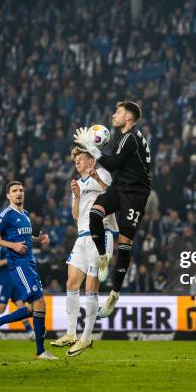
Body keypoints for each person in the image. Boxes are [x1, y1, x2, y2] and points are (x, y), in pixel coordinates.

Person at [73, 100, 151, 318]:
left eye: (118, 112)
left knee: (124, 245)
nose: (114, 115)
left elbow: (113, 164)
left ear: (128, 117)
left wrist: (90, 146)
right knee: (95, 213)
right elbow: (114, 163)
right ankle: (102, 257)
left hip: (136, 194)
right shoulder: (124, 137)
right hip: (120, 187)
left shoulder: (132, 138)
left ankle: (113, 296)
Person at [50, 147, 118, 356]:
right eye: (75, 160)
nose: (77, 162)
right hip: (81, 237)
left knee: (91, 286)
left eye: (80, 158)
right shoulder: (77, 184)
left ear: (91, 160)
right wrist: (77, 196)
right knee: (71, 283)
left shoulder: (102, 173)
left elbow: (112, 193)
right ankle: (71, 333)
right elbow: (75, 214)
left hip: (100, 234)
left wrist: (97, 177)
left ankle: (86, 337)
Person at [0, 181, 57, 361]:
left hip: (29, 263)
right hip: (18, 264)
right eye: (14, 191)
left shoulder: (24, 214)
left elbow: (23, 236)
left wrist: (37, 240)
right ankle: (40, 352)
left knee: (35, 307)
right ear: (8, 196)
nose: (19, 193)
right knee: (39, 304)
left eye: (21, 190)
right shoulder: (6, 214)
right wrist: (12, 245)